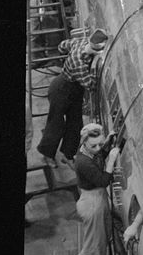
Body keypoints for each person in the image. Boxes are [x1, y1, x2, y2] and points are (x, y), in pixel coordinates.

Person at [37, 28, 108, 168]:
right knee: (56, 123)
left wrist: (65, 52)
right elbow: (91, 85)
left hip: (74, 90)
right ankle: (47, 154)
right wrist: (94, 67)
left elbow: (62, 45)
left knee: (75, 124)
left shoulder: (81, 41)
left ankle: (67, 155)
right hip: (61, 89)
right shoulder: (78, 63)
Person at [71, 123, 120, 255]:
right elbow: (103, 180)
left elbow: (100, 154)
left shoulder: (90, 151)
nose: (98, 148)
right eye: (94, 145)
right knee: (97, 240)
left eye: (100, 143)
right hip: (92, 202)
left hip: (97, 197)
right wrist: (111, 161)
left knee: (97, 236)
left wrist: (108, 142)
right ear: (84, 142)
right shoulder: (83, 162)